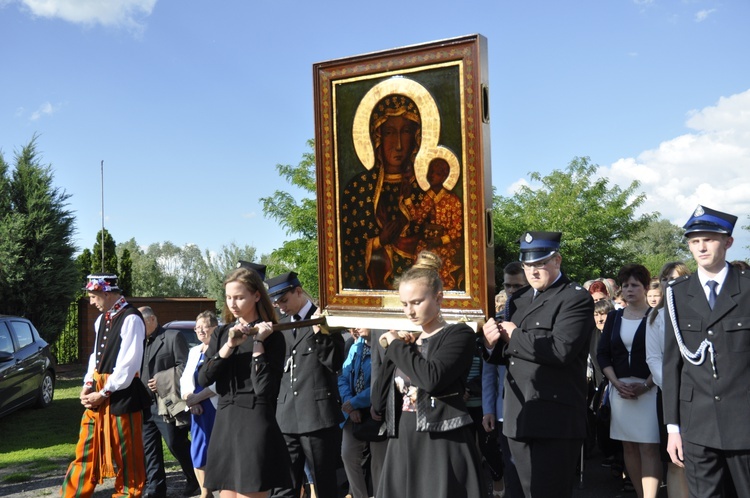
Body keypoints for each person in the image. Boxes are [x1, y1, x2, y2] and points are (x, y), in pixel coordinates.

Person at [482, 231, 594, 498]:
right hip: (518, 416)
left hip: (554, 420)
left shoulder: (575, 298)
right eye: (528, 264)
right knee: (516, 493)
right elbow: (506, 354)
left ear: (557, 260)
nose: (533, 270)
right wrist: (490, 344)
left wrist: (515, 335)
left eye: (540, 263)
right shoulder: (517, 300)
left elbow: (561, 350)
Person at [373, 250, 484, 497]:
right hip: (403, 439)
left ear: (438, 297)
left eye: (416, 302)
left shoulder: (459, 334)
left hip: (442, 440)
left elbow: (431, 379)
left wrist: (396, 347)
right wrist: (393, 350)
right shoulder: (407, 342)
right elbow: (379, 400)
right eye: (404, 304)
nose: (409, 311)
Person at [663, 205, 749, 497]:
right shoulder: (676, 293)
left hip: (744, 421)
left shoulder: (747, 289)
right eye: (694, 241)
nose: (701, 247)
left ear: (728, 242)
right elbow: (672, 363)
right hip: (696, 424)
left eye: (709, 239)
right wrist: (672, 427)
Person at [197, 266, 291, 497]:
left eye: (239, 297)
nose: (232, 303)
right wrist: (229, 346)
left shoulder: (273, 336)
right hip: (226, 419)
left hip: (255, 421)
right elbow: (204, 377)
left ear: (256, 295)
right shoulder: (222, 334)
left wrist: (258, 342)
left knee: (250, 492)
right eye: (229, 297)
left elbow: (264, 389)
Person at [61, 274, 149, 498]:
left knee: (128, 456)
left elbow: (128, 365)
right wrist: (88, 384)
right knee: (86, 449)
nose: (91, 301)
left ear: (106, 293)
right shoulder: (102, 319)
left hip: (122, 395)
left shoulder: (131, 319)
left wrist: (103, 392)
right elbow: (95, 356)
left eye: (93, 296)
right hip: (99, 392)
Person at [265, 271, 346, 498]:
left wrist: (320, 334)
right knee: (284, 485)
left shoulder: (322, 318)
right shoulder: (281, 325)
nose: (281, 306)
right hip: (286, 417)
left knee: (324, 484)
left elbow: (335, 362)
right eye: (276, 302)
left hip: (317, 416)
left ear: (298, 291)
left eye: (284, 300)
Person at [341, 93, 427, 290]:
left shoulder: (423, 190)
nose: (398, 144)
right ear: (377, 137)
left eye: (405, 132)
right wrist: (379, 241)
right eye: (389, 132)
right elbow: (346, 252)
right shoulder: (358, 189)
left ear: (416, 137)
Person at [596, 264, 662, 498]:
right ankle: (639, 492)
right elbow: (602, 354)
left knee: (649, 446)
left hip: (649, 389)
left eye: (635, 285)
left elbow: (663, 357)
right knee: (629, 447)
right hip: (620, 390)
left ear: (645, 288)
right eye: (625, 285)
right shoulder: (613, 318)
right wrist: (615, 382)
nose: (629, 289)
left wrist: (645, 386)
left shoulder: (657, 317)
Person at [139, 306, 198, 498]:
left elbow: (185, 367)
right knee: (149, 448)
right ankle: (156, 488)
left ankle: (195, 479)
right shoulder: (137, 342)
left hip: (167, 403)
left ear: (153, 320)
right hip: (143, 403)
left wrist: (162, 379)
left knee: (175, 443)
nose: (138, 327)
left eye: (142, 323)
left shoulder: (172, 337)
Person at [645, 262, 691, 498]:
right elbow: (653, 359)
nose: (669, 284)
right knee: (675, 461)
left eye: (675, 279)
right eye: (665, 279)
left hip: (700, 395)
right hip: (670, 395)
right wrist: (675, 387)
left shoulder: (698, 311)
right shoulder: (656, 316)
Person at [483, 261, 528, 498]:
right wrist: (488, 409)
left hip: (531, 406)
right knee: (510, 469)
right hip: (503, 409)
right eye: (508, 286)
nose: (512, 292)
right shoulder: (496, 321)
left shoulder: (533, 320)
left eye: (517, 286)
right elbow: (489, 372)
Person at [406, 156, 464, 290]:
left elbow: (457, 229)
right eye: (430, 172)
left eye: (436, 173)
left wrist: (441, 240)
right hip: (429, 241)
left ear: (444, 176)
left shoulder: (452, 200)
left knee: (439, 260)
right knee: (420, 254)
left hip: (447, 244)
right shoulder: (428, 197)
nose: (432, 176)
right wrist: (408, 199)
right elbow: (418, 218)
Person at [180, 310, 219, 498]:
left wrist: (198, 398)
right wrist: (190, 398)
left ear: (215, 328)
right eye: (197, 328)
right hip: (198, 409)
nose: (200, 331)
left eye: (205, 327)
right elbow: (185, 379)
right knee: (198, 450)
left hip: (215, 406)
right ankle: (206, 492)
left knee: (217, 449)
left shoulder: (221, 350)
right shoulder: (194, 351)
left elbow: (220, 382)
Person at [338, 327, 379, 498]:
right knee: (348, 455)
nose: (355, 326)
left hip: (378, 412)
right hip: (353, 412)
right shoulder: (356, 346)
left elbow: (380, 383)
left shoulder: (382, 345)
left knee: (379, 463)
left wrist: (355, 402)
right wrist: (351, 405)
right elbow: (343, 377)